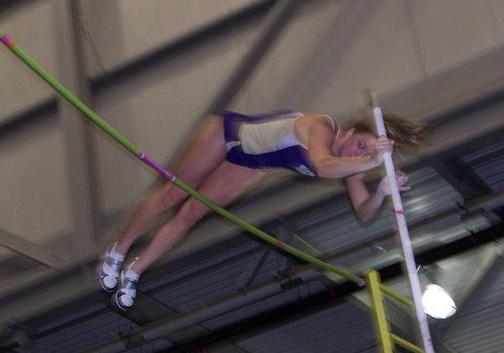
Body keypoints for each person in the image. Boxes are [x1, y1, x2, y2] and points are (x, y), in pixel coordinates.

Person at [96, 110, 430, 310]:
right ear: (352, 131)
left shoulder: (351, 164)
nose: (358, 155)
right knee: (174, 194)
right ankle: (118, 251)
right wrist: (372, 161)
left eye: (365, 154)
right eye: (360, 146)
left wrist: (381, 191)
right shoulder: (321, 128)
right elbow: (322, 165)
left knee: (192, 214)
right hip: (226, 135)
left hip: (250, 164)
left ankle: (135, 271)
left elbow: (364, 210)